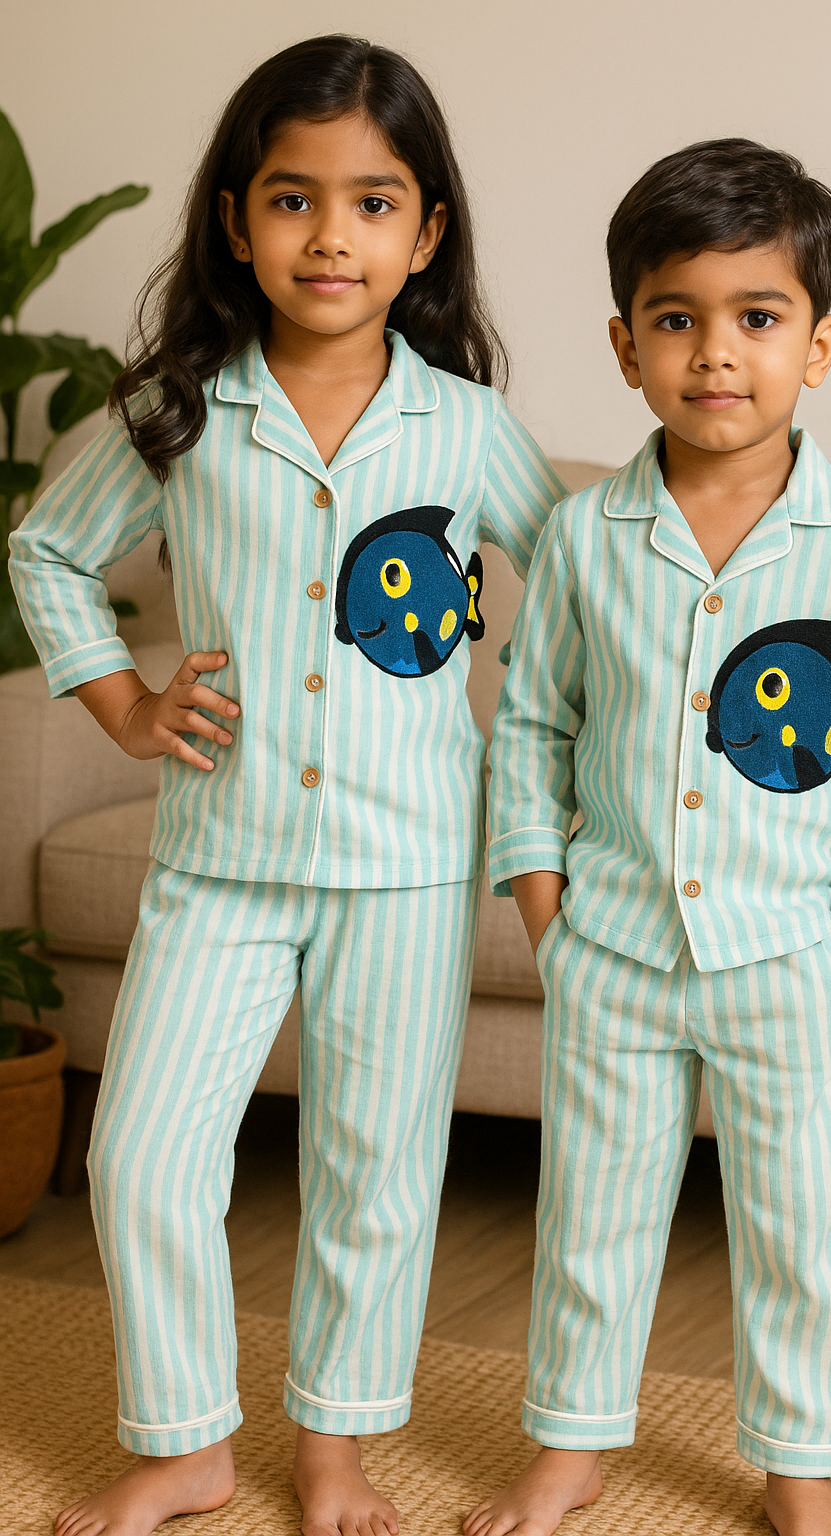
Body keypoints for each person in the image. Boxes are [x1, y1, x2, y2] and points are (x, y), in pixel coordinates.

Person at [11, 34, 565, 1536]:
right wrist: (121, 701)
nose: (333, 236)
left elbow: (577, 593)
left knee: (374, 1172)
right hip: (219, 858)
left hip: (408, 863)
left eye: (375, 203)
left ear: (428, 232)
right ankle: (186, 1439)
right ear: (237, 221)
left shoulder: (466, 427)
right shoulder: (180, 410)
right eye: (294, 199)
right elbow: (47, 550)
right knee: (137, 1154)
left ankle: (336, 1450)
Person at [467, 139, 831, 1536]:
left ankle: (800, 1467)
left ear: (821, 342)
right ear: (626, 345)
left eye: (758, 318)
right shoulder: (579, 537)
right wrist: (547, 917)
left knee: (802, 1235)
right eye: (678, 320)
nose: (716, 354)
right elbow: (532, 730)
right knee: (589, 1224)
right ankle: (570, 1449)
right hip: (611, 954)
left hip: (788, 959)